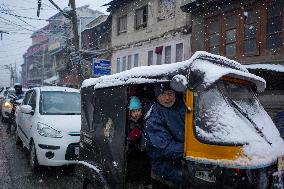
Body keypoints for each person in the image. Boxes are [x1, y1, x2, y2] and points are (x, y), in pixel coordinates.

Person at [145, 83, 186, 187]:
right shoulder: (153, 117)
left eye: (170, 93)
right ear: (157, 96)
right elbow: (166, 148)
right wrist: (193, 149)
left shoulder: (182, 106)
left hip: (183, 158)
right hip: (164, 164)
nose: (167, 98)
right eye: (163, 94)